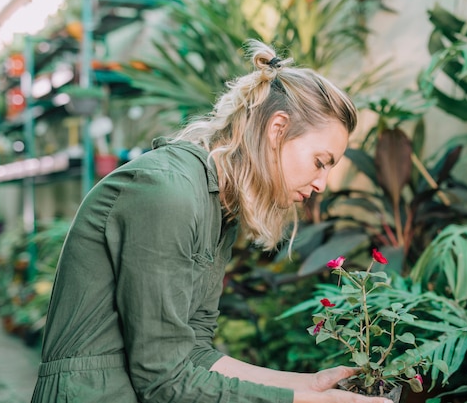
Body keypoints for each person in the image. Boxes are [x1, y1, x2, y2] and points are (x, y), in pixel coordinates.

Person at [31, 39, 393, 403]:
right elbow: (163, 379)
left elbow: (195, 353)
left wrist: (304, 386)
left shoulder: (218, 205)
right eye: (320, 161)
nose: (321, 184)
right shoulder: (167, 193)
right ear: (278, 129)